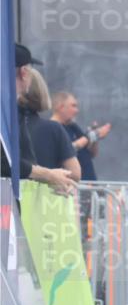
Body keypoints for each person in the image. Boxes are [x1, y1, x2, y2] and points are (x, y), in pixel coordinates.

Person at [1, 44, 76, 195]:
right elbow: (4, 162)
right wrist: (48, 175)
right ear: (24, 72)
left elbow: (18, 162)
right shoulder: (7, 112)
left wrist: (50, 179)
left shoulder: (12, 111)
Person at [19, 67, 81, 181]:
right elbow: (75, 173)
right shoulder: (53, 129)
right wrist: (52, 176)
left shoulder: (6, 130)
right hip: (44, 197)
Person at [51, 91, 111, 181]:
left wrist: (94, 139)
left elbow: (91, 153)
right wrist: (94, 135)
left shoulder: (73, 127)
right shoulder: (51, 128)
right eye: (73, 106)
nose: (77, 110)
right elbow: (66, 151)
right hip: (71, 188)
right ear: (61, 107)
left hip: (89, 186)